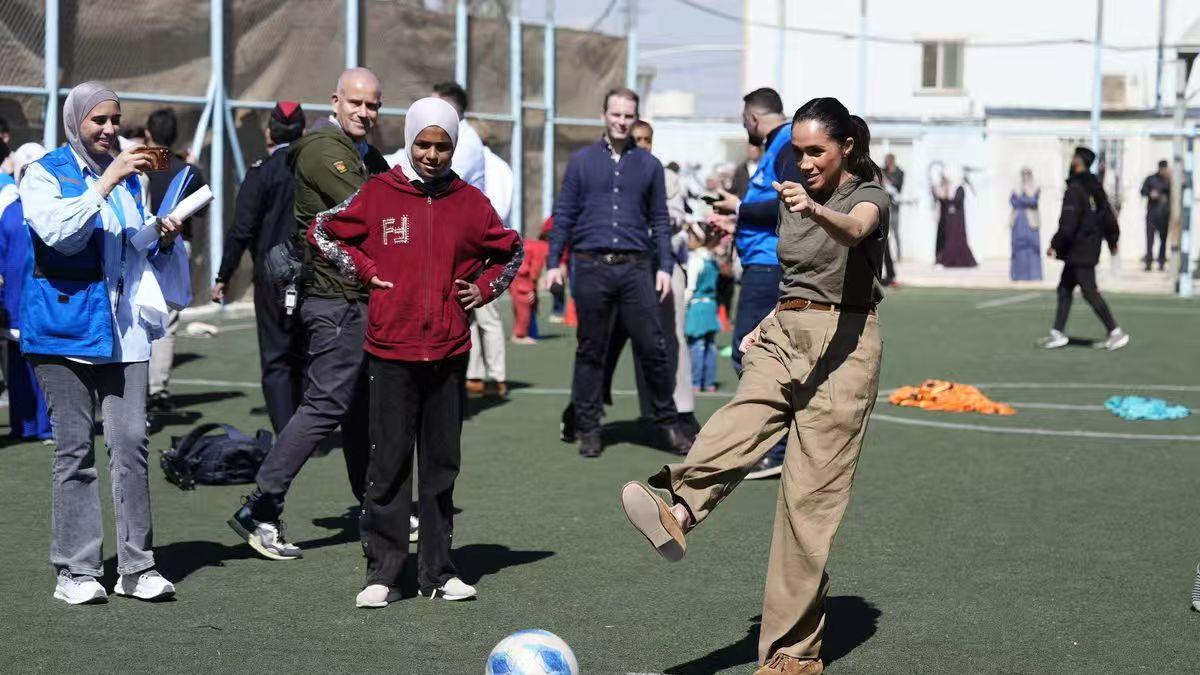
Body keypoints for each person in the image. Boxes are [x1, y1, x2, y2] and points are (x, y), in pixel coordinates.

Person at [620, 97, 889, 675]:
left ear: (846, 148)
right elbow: (800, 276)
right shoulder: (792, 187)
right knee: (740, 417)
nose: (807, 162)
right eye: (798, 152)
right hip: (784, 333)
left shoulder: (868, 194)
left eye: (817, 151)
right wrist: (774, 318)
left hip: (844, 347)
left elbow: (853, 232)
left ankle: (793, 653)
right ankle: (680, 511)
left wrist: (815, 211)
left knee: (805, 504)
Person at [309, 96, 522, 607]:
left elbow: (510, 248)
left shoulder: (471, 202)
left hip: (448, 353)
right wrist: (361, 270)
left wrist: (485, 288)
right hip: (391, 349)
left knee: (442, 466)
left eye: (441, 146)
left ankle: (438, 570)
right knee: (388, 466)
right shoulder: (378, 193)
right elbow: (321, 230)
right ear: (409, 143)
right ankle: (383, 573)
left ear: (452, 147)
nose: (431, 154)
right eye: (422, 144)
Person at [21, 82, 188, 604]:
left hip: (123, 329)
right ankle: (75, 571)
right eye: (99, 121)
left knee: (131, 443)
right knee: (75, 450)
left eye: (115, 119)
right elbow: (58, 234)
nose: (110, 130)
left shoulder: (128, 174)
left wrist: (158, 234)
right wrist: (105, 183)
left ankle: (138, 567)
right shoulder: (45, 173)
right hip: (63, 329)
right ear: (75, 123)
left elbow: (126, 244)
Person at [228, 67, 390, 561]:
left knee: (362, 409)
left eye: (373, 105)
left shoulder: (368, 154)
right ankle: (261, 506)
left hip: (356, 299)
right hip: (333, 299)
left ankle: (377, 508)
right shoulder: (324, 149)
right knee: (325, 405)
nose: (365, 112)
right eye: (356, 103)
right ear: (335, 101)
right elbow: (376, 212)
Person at [545, 87, 692, 458]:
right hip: (590, 266)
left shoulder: (650, 166)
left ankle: (668, 424)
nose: (622, 121)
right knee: (591, 350)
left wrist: (664, 267)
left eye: (629, 115)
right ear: (603, 115)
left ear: (636, 117)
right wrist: (553, 263)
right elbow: (564, 214)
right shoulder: (580, 162)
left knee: (653, 347)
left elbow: (660, 220)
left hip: (635, 268)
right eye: (616, 114)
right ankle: (589, 427)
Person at [592, 119, 698, 440]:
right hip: (625, 271)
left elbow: (676, 217)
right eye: (636, 139)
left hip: (664, 267)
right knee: (623, 341)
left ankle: (683, 411)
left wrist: (662, 223)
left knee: (672, 336)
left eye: (647, 139)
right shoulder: (610, 177)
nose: (642, 144)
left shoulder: (668, 178)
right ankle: (645, 410)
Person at [708, 87, 793, 480]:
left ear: (754, 118)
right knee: (758, 355)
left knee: (754, 356)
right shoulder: (777, 145)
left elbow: (789, 203)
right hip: (761, 264)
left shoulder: (786, 144)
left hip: (770, 267)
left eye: (744, 121)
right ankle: (771, 446)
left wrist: (740, 208)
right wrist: (736, 219)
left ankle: (774, 448)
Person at [212, 101, 307, 433]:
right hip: (315, 273)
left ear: (269, 132)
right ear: (304, 132)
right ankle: (309, 426)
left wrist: (224, 275)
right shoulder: (314, 168)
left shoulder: (261, 171)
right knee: (305, 350)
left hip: (273, 277)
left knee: (277, 356)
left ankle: (288, 433)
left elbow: (242, 228)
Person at [142, 108, 207, 413]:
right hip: (178, 244)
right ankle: (158, 389)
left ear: (148, 135)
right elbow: (202, 211)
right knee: (167, 317)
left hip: (140, 241)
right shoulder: (187, 170)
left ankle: (133, 383)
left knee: (135, 310)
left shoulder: (141, 165)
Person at [1039, 146, 1130, 351]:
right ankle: (1057, 333)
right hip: (1087, 248)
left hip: (1079, 250)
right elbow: (1108, 216)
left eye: (1073, 158)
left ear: (1078, 162)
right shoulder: (1094, 187)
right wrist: (1112, 239)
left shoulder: (1076, 189)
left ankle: (1116, 331)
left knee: (1089, 291)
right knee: (1064, 288)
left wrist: (1055, 245)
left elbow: (1068, 223)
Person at [0, 142, 52, 441]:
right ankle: (28, 426)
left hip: (36, 304)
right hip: (23, 305)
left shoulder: (44, 211)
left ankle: (37, 426)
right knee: (26, 369)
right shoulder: (14, 213)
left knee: (36, 369)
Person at [684, 225, 720, 392]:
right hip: (711, 305)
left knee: (697, 345)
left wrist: (683, 306)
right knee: (710, 345)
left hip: (697, 305)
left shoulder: (695, 259)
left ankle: (696, 383)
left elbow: (690, 287)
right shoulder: (712, 258)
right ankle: (710, 383)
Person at [512, 226, 548, 343]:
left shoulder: (535, 244)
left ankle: (522, 332)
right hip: (521, 276)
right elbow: (535, 270)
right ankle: (520, 335)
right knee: (525, 302)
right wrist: (532, 288)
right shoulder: (543, 248)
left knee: (521, 304)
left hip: (514, 272)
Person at [935, 170, 976, 267]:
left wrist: (947, 200)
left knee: (957, 239)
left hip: (957, 220)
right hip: (950, 220)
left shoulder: (960, 188)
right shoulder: (949, 188)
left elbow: (956, 201)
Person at [1009, 168, 1043, 282]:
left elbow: (1033, 201)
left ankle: (1033, 275)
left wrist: (1022, 199)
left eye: (1028, 174)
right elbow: (1013, 202)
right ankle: (1017, 275)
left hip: (1031, 221)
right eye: (1023, 174)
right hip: (1018, 220)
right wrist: (1023, 199)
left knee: (1031, 247)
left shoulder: (1035, 188)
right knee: (1018, 247)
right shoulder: (1016, 188)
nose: (1025, 177)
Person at [1139, 160, 1170, 271]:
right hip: (1152, 213)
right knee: (1150, 240)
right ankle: (1149, 262)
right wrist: (1151, 194)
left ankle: (1161, 262)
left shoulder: (1169, 180)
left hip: (1165, 214)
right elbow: (1142, 191)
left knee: (1163, 240)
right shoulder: (1151, 179)